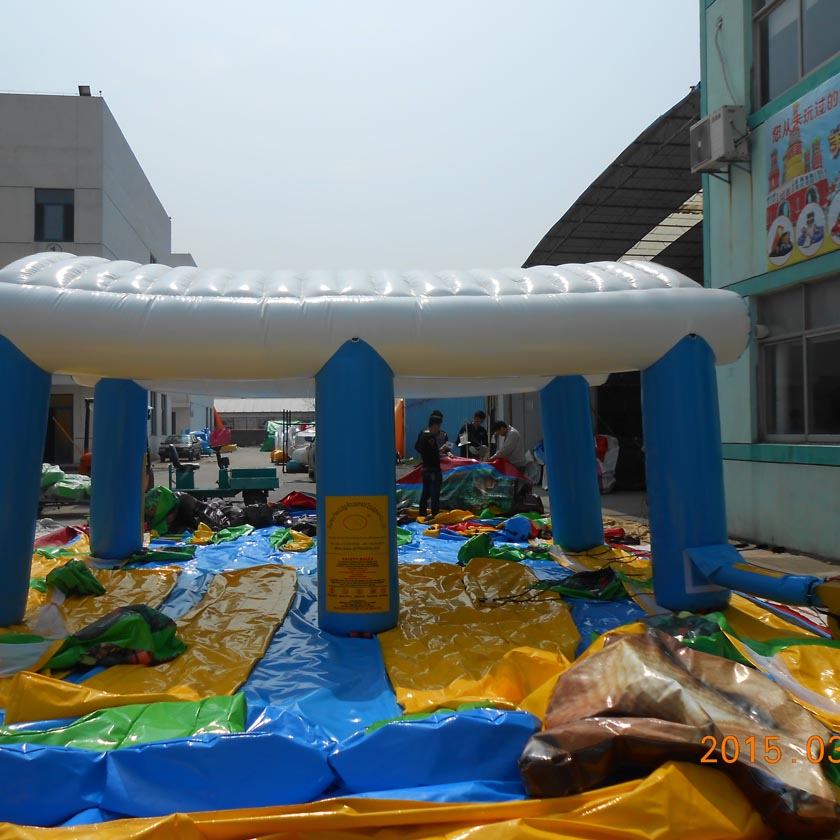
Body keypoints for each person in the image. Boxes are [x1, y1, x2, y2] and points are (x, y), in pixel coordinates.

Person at [415, 415, 443, 518]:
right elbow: (433, 453)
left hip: (425, 468)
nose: (438, 429)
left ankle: (422, 513)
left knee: (425, 493)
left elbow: (418, 447)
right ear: (433, 426)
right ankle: (435, 515)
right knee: (434, 494)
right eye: (437, 427)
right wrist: (441, 451)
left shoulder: (422, 434)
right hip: (433, 469)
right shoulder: (430, 437)